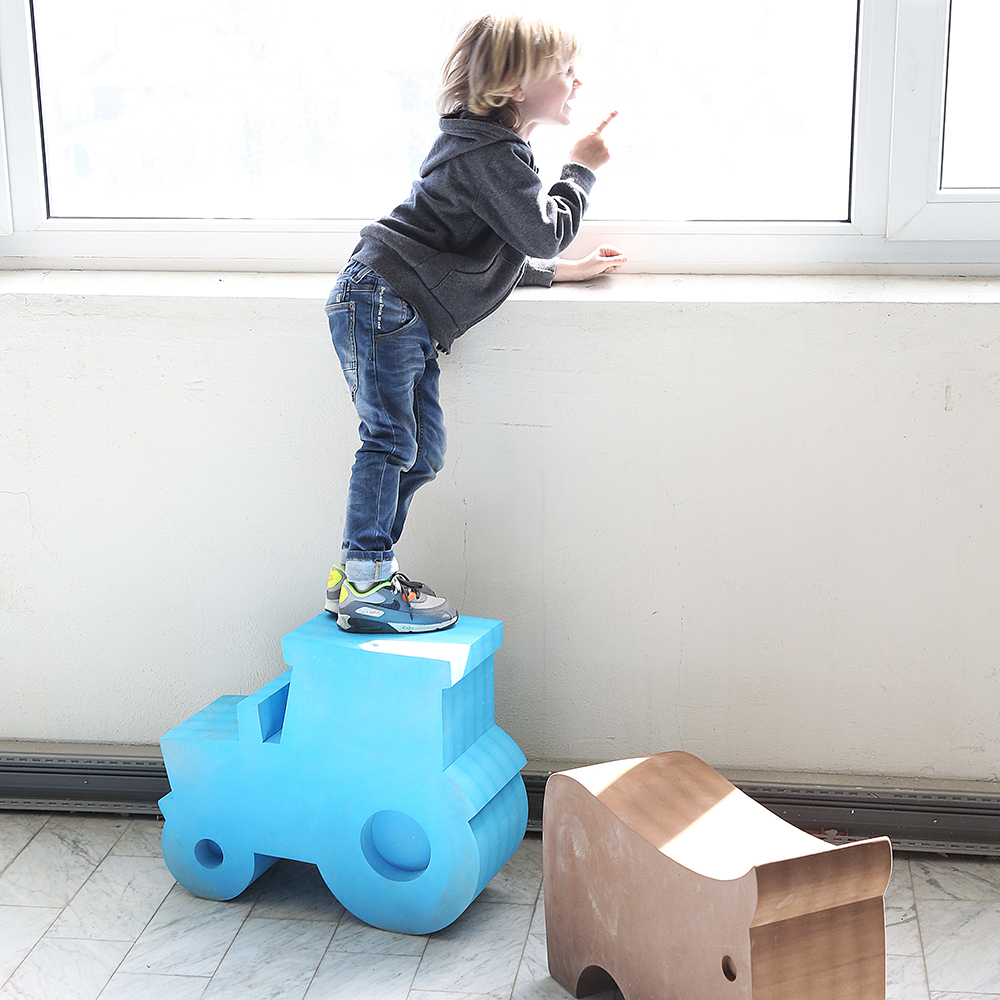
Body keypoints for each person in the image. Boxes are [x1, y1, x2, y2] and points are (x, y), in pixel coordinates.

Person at [325, 12, 627, 633]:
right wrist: (581, 169)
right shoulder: (489, 151)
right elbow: (539, 233)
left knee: (422, 453)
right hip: (383, 298)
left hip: (397, 302)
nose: (577, 81)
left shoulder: (490, 150)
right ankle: (365, 580)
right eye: (565, 70)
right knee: (391, 442)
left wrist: (561, 273)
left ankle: (365, 570)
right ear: (515, 85)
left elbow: (475, 253)